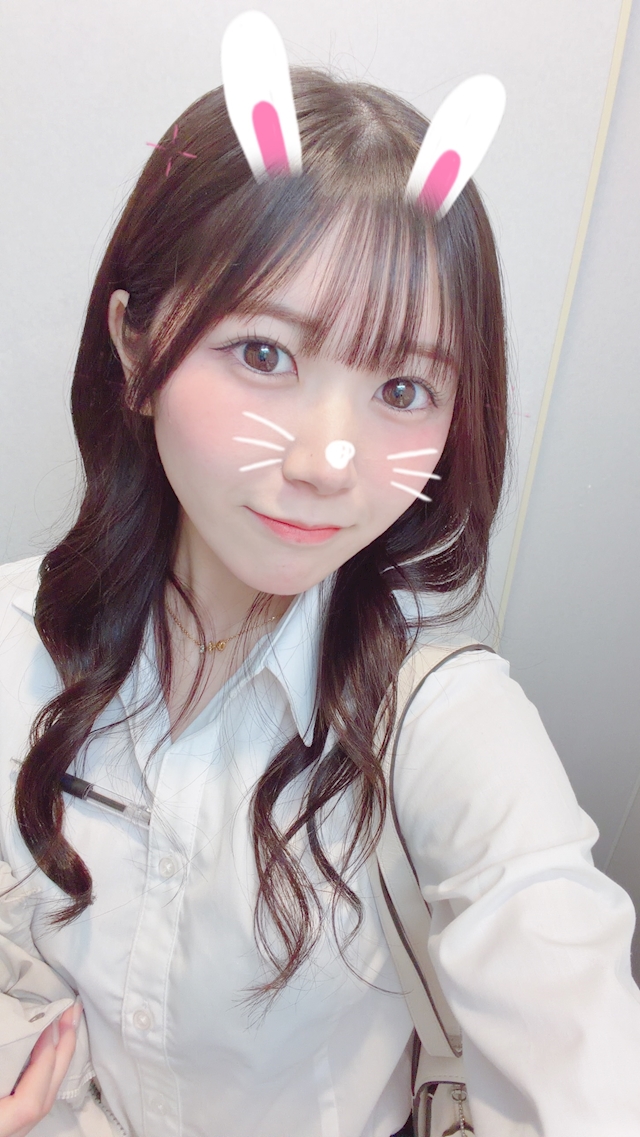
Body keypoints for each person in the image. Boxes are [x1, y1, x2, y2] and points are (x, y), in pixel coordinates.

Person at [1, 40, 640, 1137]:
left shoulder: (439, 722)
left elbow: (574, 1031)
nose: (327, 461)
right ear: (135, 348)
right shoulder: (15, 642)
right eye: (264, 354)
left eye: (403, 386)